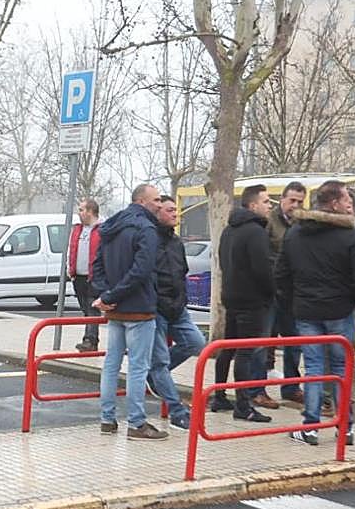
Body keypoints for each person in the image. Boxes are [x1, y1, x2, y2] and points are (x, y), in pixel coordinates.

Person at [276, 180, 355, 446]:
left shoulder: (295, 232)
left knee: (312, 368)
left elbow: (282, 275)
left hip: (307, 311)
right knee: (342, 368)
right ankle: (344, 428)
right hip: (341, 310)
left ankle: (310, 426)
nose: (350, 206)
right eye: (347, 201)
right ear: (334, 203)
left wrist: (295, 301)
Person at [92, 183, 166, 439]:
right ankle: (136, 423)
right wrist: (112, 296)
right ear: (143, 201)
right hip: (139, 309)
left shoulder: (111, 227)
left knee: (111, 365)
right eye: (156, 200)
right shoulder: (146, 229)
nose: (160, 204)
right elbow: (142, 271)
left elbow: (97, 266)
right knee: (137, 367)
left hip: (115, 311)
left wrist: (107, 296)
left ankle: (107, 419)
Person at [213, 183, 276, 423]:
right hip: (252, 300)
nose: (270, 206)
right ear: (253, 205)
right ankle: (243, 405)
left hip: (231, 296)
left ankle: (219, 396)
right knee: (246, 351)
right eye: (266, 201)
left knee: (228, 348)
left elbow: (222, 262)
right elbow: (263, 268)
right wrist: (271, 293)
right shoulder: (256, 231)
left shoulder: (229, 230)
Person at [147, 195, 206, 430]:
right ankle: (177, 411)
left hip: (178, 307)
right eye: (170, 210)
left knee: (197, 342)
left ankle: (154, 377)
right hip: (156, 309)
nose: (175, 214)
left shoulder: (176, 242)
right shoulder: (149, 239)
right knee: (160, 361)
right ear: (158, 212)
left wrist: (181, 299)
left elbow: (181, 273)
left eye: (176, 210)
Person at [265, 181, 307, 404]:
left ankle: (291, 387)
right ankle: (258, 389)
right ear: (282, 199)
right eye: (292, 200)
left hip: (293, 293)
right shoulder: (269, 221)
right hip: (272, 291)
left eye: (300, 201)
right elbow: (263, 254)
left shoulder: (304, 223)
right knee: (265, 341)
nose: (295, 205)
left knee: (294, 342)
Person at [67, 198, 102, 352]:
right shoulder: (77, 229)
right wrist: (71, 269)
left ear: (90, 211)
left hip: (94, 276)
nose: (79, 213)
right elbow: (72, 249)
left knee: (92, 307)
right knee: (86, 309)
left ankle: (90, 340)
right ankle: (90, 337)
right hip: (78, 276)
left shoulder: (102, 230)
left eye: (82, 210)